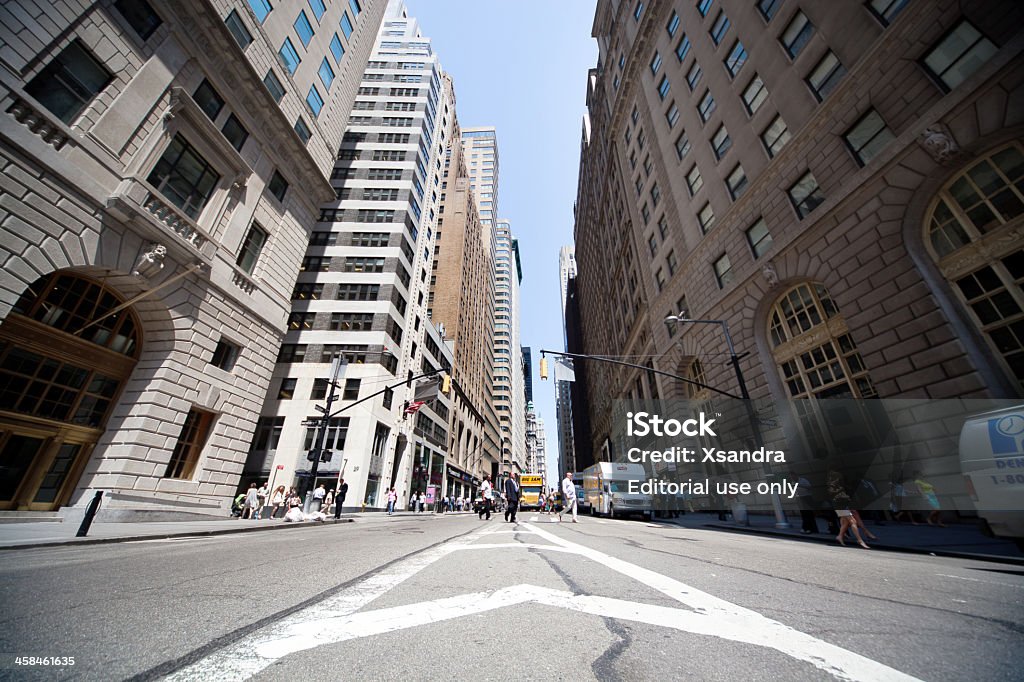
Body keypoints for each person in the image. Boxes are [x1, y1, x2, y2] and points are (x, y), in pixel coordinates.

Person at [828, 471, 869, 549]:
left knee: (845, 522)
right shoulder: (832, 485)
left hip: (844, 505)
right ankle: (860, 540)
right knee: (853, 521)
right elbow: (832, 494)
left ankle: (840, 536)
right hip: (839, 506)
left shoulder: (841, 484)